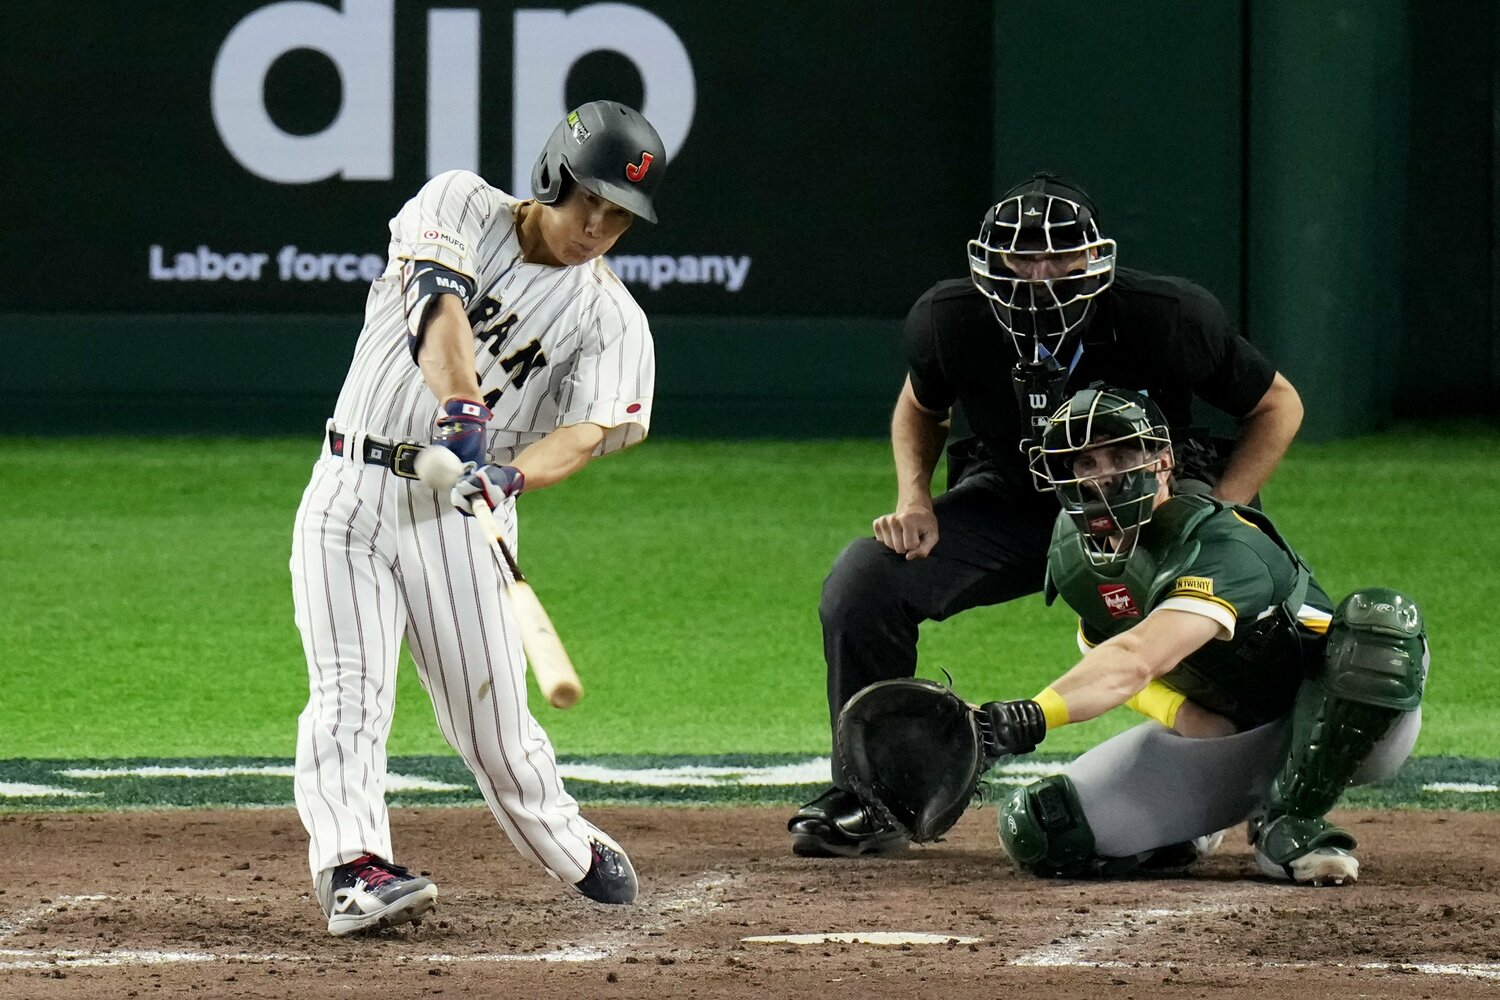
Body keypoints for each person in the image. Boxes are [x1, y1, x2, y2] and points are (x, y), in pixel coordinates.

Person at [790, 172, 1307, 858]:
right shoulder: (952, 320)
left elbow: (1277, 404)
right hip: (1014, 500)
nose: (1039, 273)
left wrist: (1221, 514)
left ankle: (1262, 798)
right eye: (1020, 256)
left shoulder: (1166, 314)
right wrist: (912, 497)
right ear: (988, 259)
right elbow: (922, 403)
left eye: (1059, 254)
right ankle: (872, 795)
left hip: (1151, 508)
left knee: (1225, 623)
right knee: (867, 579)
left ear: (1096, 255)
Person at [289, 100, 666, 935]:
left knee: (495, 728)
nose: (599, 226)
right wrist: (463, 404)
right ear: (551, 177)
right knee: (348, 695)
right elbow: (436, 306)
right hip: (348, 485)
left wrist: (509, 475)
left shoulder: (612, 317)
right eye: (590, 201)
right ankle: (351, 869)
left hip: (457, 521)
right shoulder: (458, 202)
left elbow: (586, 433)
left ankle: (565, 844)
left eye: (620, 216)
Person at [971, 385, 1426, 885]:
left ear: (1162, 462)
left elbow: (1138, 657)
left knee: (1379, 626)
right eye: (1086, 463)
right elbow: (1103, 653)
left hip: (1348, 721)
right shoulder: (1077, 556)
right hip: (1233, 739)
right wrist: (1182, 713)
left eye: (1120, 454)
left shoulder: (1218, 543)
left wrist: (1033, 715)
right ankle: (1202, 817)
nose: (1102, 476)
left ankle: (1291, 819)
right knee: (1043, 829)